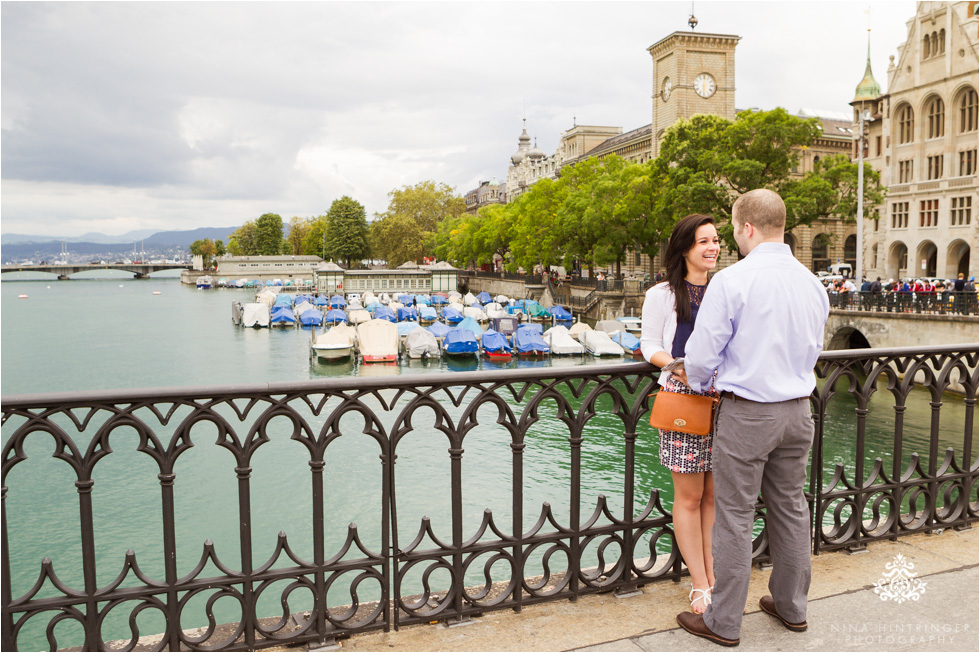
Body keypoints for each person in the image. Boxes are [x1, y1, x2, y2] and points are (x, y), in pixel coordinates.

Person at [671, 189, 829, 647]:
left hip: (749, 413)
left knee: (735, 517)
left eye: (733, 230)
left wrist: (700, 381)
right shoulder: (812, 282)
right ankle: (791, 606)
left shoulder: (733, 280)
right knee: (791, 510)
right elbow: (813, 346)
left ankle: (723, 621)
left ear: (747, 228)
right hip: (799, 411)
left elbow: (701, 356)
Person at [640, 213, 720, 615]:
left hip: (726, 401)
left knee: (714, 497)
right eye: (704, 241)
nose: (713, 248)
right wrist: (677, 367)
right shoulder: (662, 294)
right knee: (689, 497)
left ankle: (713, 574)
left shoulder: (725, 289)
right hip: (684, 401)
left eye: (717, 240)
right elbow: (648, 344)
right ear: (685, 247)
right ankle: (700, 583)